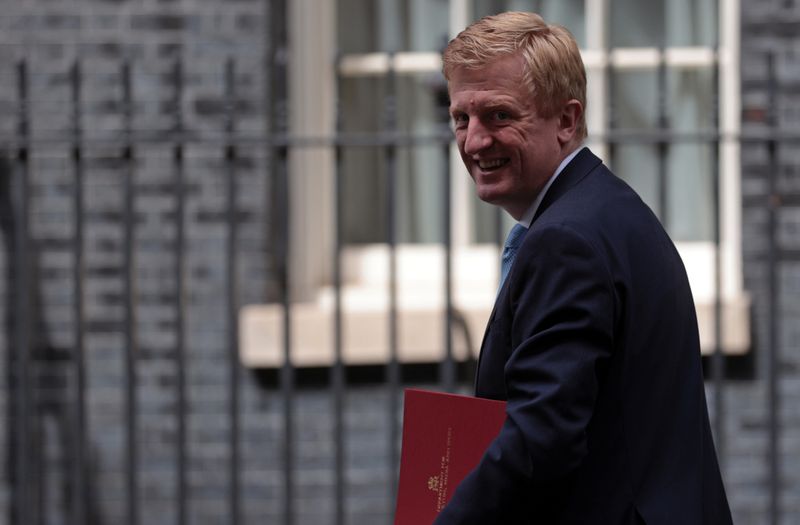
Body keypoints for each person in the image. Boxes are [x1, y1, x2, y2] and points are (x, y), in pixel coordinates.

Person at [435, 12, 732, 525]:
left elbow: (541, 436)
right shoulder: (605, 210)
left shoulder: (565, 241)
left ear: (567, 121)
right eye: (462, 119)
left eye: (499, 116)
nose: (475, 141)